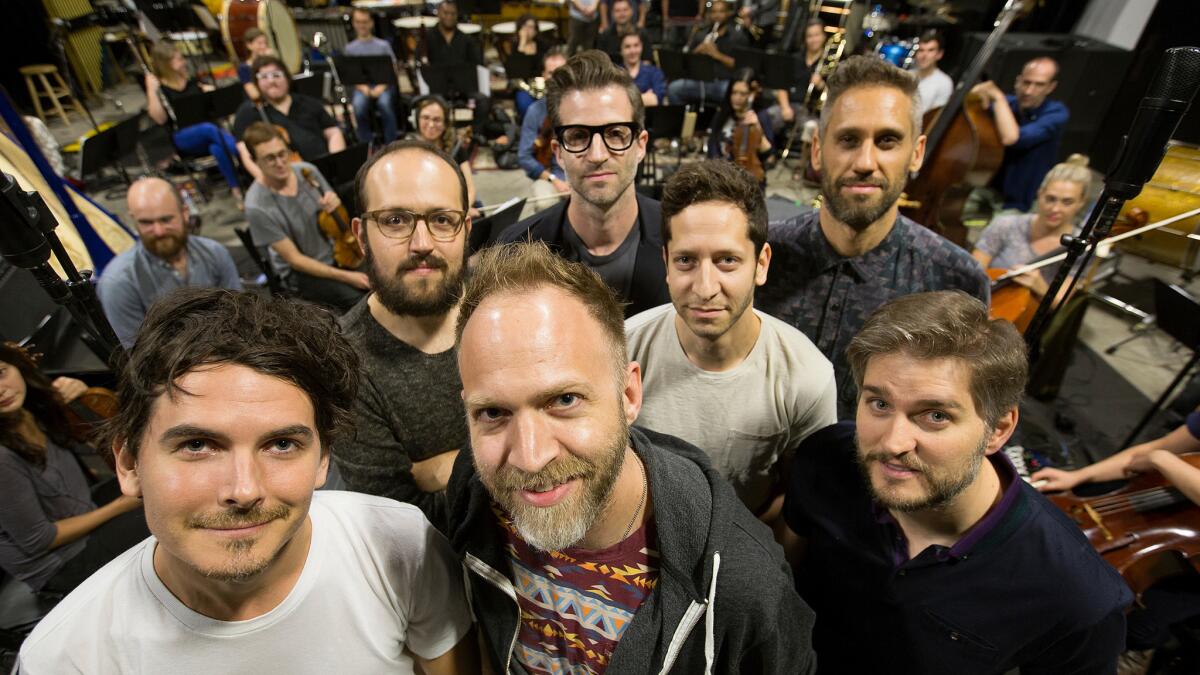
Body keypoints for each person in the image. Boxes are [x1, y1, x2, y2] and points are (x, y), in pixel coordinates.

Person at [18, 289, 479, 673]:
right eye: (197, 445)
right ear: (128, 463)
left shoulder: (400, 545)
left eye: (281, 445)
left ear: (323, 460)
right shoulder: (66, 657)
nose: (243, 489)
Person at [447, 241, 817, 673]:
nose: (530, 458)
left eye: (564, 399)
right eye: (493, 412)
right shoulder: (474, 492)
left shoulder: (742, 585)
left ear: (629, 394)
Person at [784, 290, 1133, 674]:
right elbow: (786, 566)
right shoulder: (826, 458)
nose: (893, 443)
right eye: (880, 404)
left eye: (934, 415)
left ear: (997, 430)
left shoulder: (1078, 595)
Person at [757, 55, 990, 419]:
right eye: (848, 139)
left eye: (887, 141)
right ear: (818, 151)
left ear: (916, 154)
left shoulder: (955, 282)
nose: (865, 161)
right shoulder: (762, 256)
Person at [626, 161, 835, 518]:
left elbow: (804, 507)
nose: (705, 288)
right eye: (686, 261)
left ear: (761, 264)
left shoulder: (807, 376)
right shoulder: (623, 350)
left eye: (727, 260)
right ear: (666, 262)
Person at [337, 140, 472, 532]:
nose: (423, 243)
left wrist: (451, 467)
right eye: (395, 220)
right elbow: (402, 526)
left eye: (442, 219)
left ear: (466, 229)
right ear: (362, 236)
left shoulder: (510, 309)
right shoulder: (346, 366)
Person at [500, 50, 669, 317]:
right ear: (558, 152)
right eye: (578, 136)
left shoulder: (681, 238)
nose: (598, 155)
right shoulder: (515, 251)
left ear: (640, 145)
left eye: (616, 134)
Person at [1032, 410, 1200, 669]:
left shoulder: (1164, 461)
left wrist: (1162, 460)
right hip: (1156, 505)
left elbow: (1159, 455)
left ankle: (1134, 653)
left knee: (1134, 626)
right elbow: (1151, 451)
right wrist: (1079, 476)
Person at [0, 342, 146, 594]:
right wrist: (119, 506)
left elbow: (105, 437)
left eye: (1, 372)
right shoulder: (2, 458)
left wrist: (83, 396)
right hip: (62, 564)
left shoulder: (33, 410)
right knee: (163, 520)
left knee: (162, 484)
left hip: (83, 508)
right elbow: (39, 540)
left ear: (17, 366)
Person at [98, 177, 242, 347]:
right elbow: (137, 359)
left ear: (185, 213)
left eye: (166, 220)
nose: (158, 231)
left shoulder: (215, 253)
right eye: (146, 223)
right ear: (133, 220)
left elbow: (239, 317)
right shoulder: (118, 283)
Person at [242, 122, 368, 312]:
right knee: (358, 301)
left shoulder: (307, 171)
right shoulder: (256, 206)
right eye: (270, 158)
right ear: (255, 161)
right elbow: (295, 260)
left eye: (282, 153)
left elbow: (337, 215)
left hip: (338, 251)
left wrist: (335, 203)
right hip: (301, 271)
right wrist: (349, 277)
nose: (280, 162)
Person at [972, 160, 1091, 298]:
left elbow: (1061, 302)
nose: (1055, 209)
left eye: (1067, 202)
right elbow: (973, 275)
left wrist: (1040, 287)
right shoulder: (1006, 224)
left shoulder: (1079, 247)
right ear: (1040, 194)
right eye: (1050, 199)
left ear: (1081, 203)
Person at [144, 41, 243, 204]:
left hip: (208, 133)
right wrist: (151, 90)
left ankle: (237, 190)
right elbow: (159, 118)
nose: (183, 61)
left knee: (217, 148)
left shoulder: (190, 81)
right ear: (166, 64)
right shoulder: (160, 89)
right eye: (178, 59)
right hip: (183, 137)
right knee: (209, 129)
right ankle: (243, 152)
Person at [974, 56, 1070, 212]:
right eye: (1026, 82)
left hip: (1019, 202)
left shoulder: (1056, 114)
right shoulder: (1008, 103)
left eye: (1039, 85)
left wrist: (997, 98)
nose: (1029, 91)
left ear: (1051, 87)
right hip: (986, 188)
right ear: (1018, 80)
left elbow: (1013, 138)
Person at [232, 55, 346, 169]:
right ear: (257, 83)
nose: (271, 81)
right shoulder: (247, 113)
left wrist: (334, 163)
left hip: (325, 168)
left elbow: (333, 133)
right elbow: (245, 154)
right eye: (264, 77)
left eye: (276, 75)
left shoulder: (308, 103)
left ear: (287, 77)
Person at [424, 1, 490, 140]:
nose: (449, 17)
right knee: (433, 105)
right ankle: (441, 137)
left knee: (483, 100)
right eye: (446, 13)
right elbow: (422, 62)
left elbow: (477, 62)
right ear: (439, 14)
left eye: (452, 14)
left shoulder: (465, 38)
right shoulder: (428, 37)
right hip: (438, 87)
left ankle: (475, 133)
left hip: (463, 86)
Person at [517, 50, 572, 214]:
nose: (556, 77)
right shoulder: (535, 111)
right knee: (544, 204)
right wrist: (555, 180)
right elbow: (524, 157)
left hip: (579, 174)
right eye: (551, 72)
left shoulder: (582, 108)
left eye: (561, 72)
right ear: (544, 76)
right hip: (548, 175)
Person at [666, 0, 749, 107]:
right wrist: (698, 50)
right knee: (673, 89)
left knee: (736, 95)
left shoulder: (737, 37)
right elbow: (687, 62)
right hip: (699, 82)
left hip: (723, 82)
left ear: (728, 13)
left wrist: (716, 54)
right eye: (714, 12)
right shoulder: (701, 33)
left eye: (721, 12)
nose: (717, 15)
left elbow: (740, 65)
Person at [409, 96, 479, 217]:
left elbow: (470, 187)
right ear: (417, 119)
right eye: (425, 118)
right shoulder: (408, 150)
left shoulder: (455, 146)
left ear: (445, 123)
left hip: (458, 203)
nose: (431, 124)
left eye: (437, 120)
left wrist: (464, 210)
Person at [345, 8, 401, 145]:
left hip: (384, 85)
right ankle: (366, 144)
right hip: (362, 87)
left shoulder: (383, 45)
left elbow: (393, 69)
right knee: (358, 106)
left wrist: (380, 88)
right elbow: (351, 74)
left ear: (371, 23)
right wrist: (364, 89)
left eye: (365, 22)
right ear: (353, 23)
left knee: (385, 104)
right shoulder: (350, 48)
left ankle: (391, 143)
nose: (362, 25)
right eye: (358, 22)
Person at [706, 68, 774, 168]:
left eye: (743, 94)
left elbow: (769, 156)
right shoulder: (723, 113)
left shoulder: (761, 116)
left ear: (751, 94)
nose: (737, 98)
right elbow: (712, 145)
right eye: (734, 92)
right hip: (721, 172)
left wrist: (758, 128)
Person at [773, 19, 826, 130]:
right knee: (765, 118)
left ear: (824, 36)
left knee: (813, 130)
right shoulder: (795, 58)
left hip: (811, 112)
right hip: (789, 106)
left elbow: (833, 94)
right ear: (805, 39)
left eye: (817, 35)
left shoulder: (828, 62)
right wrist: (785, 107)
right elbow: (781, 85)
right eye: (809, 36)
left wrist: (821, 84)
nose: (813, 39)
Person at [914, 30, 953, 118]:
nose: (924, 55)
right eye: (921, 50)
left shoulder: (944, 82)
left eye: (930, 50)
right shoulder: (907, 75)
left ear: (939, 54)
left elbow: (934, 119)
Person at [620, 32, 665, 106]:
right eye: (627, 47)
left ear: (641, 47)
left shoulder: (654, 72)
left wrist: (625, 100)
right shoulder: (615, 74)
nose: (632, 51)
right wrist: (645, 97)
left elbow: (656, 100)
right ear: (621, 49)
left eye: (636, 45)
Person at [235, 28, 274, 102]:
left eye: (265, 43)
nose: (263, 46)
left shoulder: (271, 62)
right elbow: (254, 94)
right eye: (259, 43)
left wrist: (271, 61)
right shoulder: (244, 68)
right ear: (249, 45)